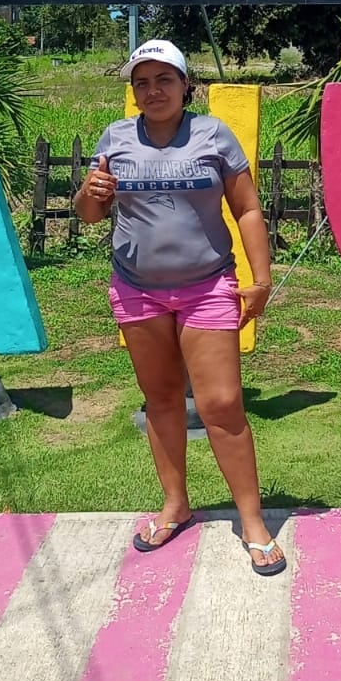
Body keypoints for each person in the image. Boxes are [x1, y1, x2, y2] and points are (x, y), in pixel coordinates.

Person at [75, 39, 286, 576]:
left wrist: (261, 279)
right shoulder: (115, 139)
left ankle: (252, 521)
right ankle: (175, 504)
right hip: (136, 288)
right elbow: (91, 216)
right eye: (141, 82)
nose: (153, 91)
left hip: (208, 286)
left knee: (221, 405)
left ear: (184, 83)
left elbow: (248, 209)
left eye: (163, 79)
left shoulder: (213, 135)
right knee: (161, 400)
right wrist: (90, 192)